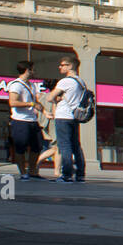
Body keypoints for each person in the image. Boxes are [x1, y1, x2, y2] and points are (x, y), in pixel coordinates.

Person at [45, 54, 87, 183]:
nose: (60, 67)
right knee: (75, 145)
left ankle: (66, 175)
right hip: (75, 116)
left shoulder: (65, 81)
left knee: (64, 146)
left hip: (63, 116)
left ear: (71, 66)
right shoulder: (81, 82)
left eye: (62, 65)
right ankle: (80, 174)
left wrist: (59, 98)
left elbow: (49, 97)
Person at [7, 62, 44, 180]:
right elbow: (13, 102)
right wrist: (31, 104)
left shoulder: (32, 85)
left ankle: (32, 171)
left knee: (37, 146)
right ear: (27, 70)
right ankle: (23, 173)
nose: (34, 72)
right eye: (33, 70)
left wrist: (40, 108)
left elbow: (35, 101)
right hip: (20, 121)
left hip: (33, 120)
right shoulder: (16, 85)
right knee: (20, 147)